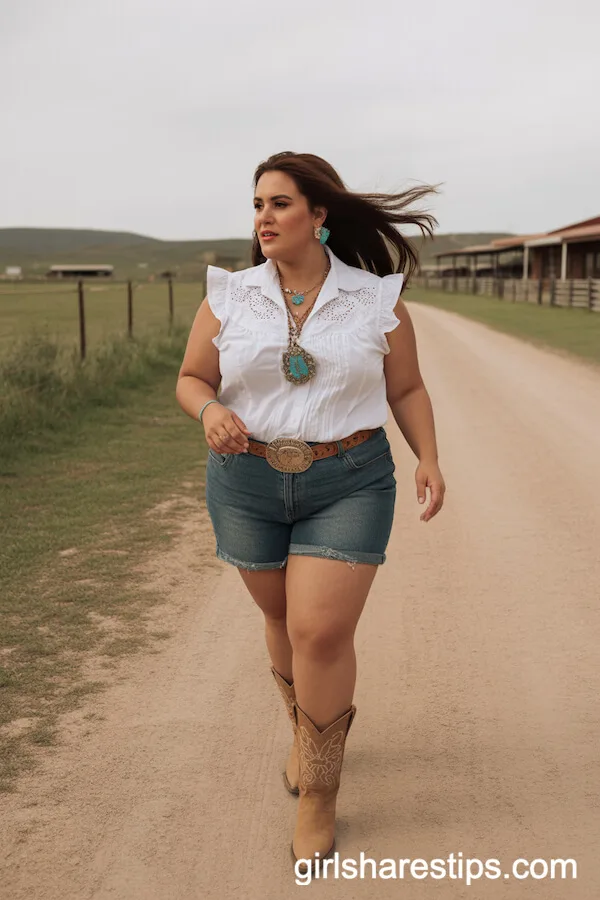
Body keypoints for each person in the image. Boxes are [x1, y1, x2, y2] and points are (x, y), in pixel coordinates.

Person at [175, 151, 446, 871]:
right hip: (245, 480)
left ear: (319, 216)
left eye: (280, 203)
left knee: (318, 630)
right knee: (279, 621)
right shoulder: (229, 296)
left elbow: (408, 388)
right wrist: (207, 410)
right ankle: (305, 733)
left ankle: (319, 792)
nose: (263, 216)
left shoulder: (374, 299)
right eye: (258, 203)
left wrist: (428, 456)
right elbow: (193, 376)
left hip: (350, 478)